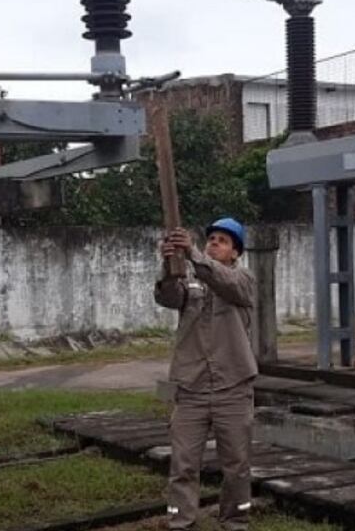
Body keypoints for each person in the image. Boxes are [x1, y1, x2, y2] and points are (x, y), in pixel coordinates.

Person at [154, 218, 257, 531]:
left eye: (223, 240)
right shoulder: (192, 282)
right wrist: (169, 263)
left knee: (236, 465)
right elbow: (168, 297)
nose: (214, 243)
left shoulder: (243, 279)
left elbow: (229, 285)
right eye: (211, 238)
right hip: (191, 387)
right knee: (183, 463)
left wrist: (195, 254)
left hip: (233, 386)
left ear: (235, 252)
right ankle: (180, 519)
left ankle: (236, 519)